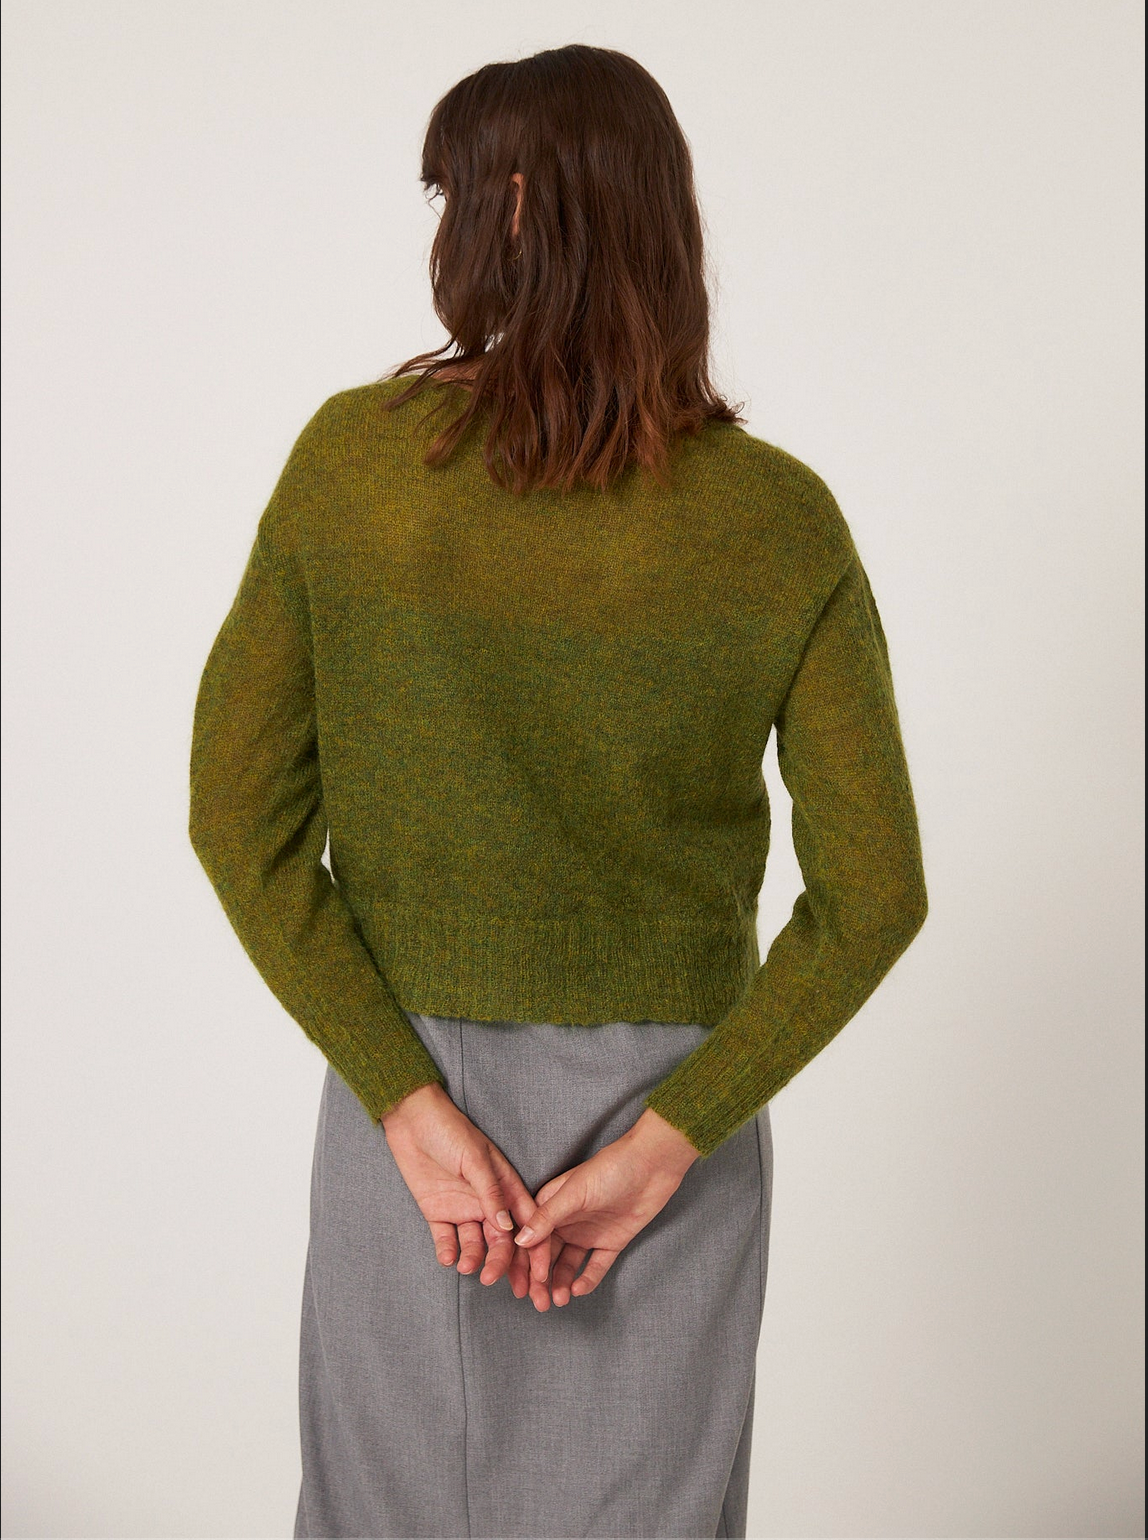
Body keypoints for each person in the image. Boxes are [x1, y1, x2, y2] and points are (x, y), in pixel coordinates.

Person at [188, 41, 928, 1540]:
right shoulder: (778, 520)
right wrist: (668, 1144)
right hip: (670, 1118)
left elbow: (236, 817)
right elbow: (876, 896)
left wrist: (405, 1101)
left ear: (516, 206)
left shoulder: (354, 469)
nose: (443, 232)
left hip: (411, 1109)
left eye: (453, 195)